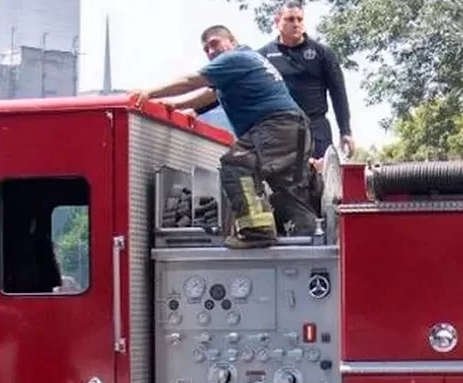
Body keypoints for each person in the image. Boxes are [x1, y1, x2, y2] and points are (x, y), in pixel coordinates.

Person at [131, 24, 318, 249]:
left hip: (277, 126)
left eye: (214, 44)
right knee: (289, 193)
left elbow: (193, 80)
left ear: (231, 41)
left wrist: (149, 92)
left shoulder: (235, 58)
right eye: (206, 49)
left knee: (236, 163)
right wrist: (175, 105)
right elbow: (209, 95)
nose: (210, 52)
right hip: (295, 129)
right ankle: (308, 244)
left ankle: (256, 230)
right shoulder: (248, 61)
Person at [259, 0, 355, 160]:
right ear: (277, 21)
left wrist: (345, 131)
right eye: (290, 19)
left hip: (316, 128)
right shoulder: (262, 56)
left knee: (319, 180)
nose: (296, 24)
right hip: (280, 130)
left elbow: (338, 93)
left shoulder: (322, 53)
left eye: (299, 19)